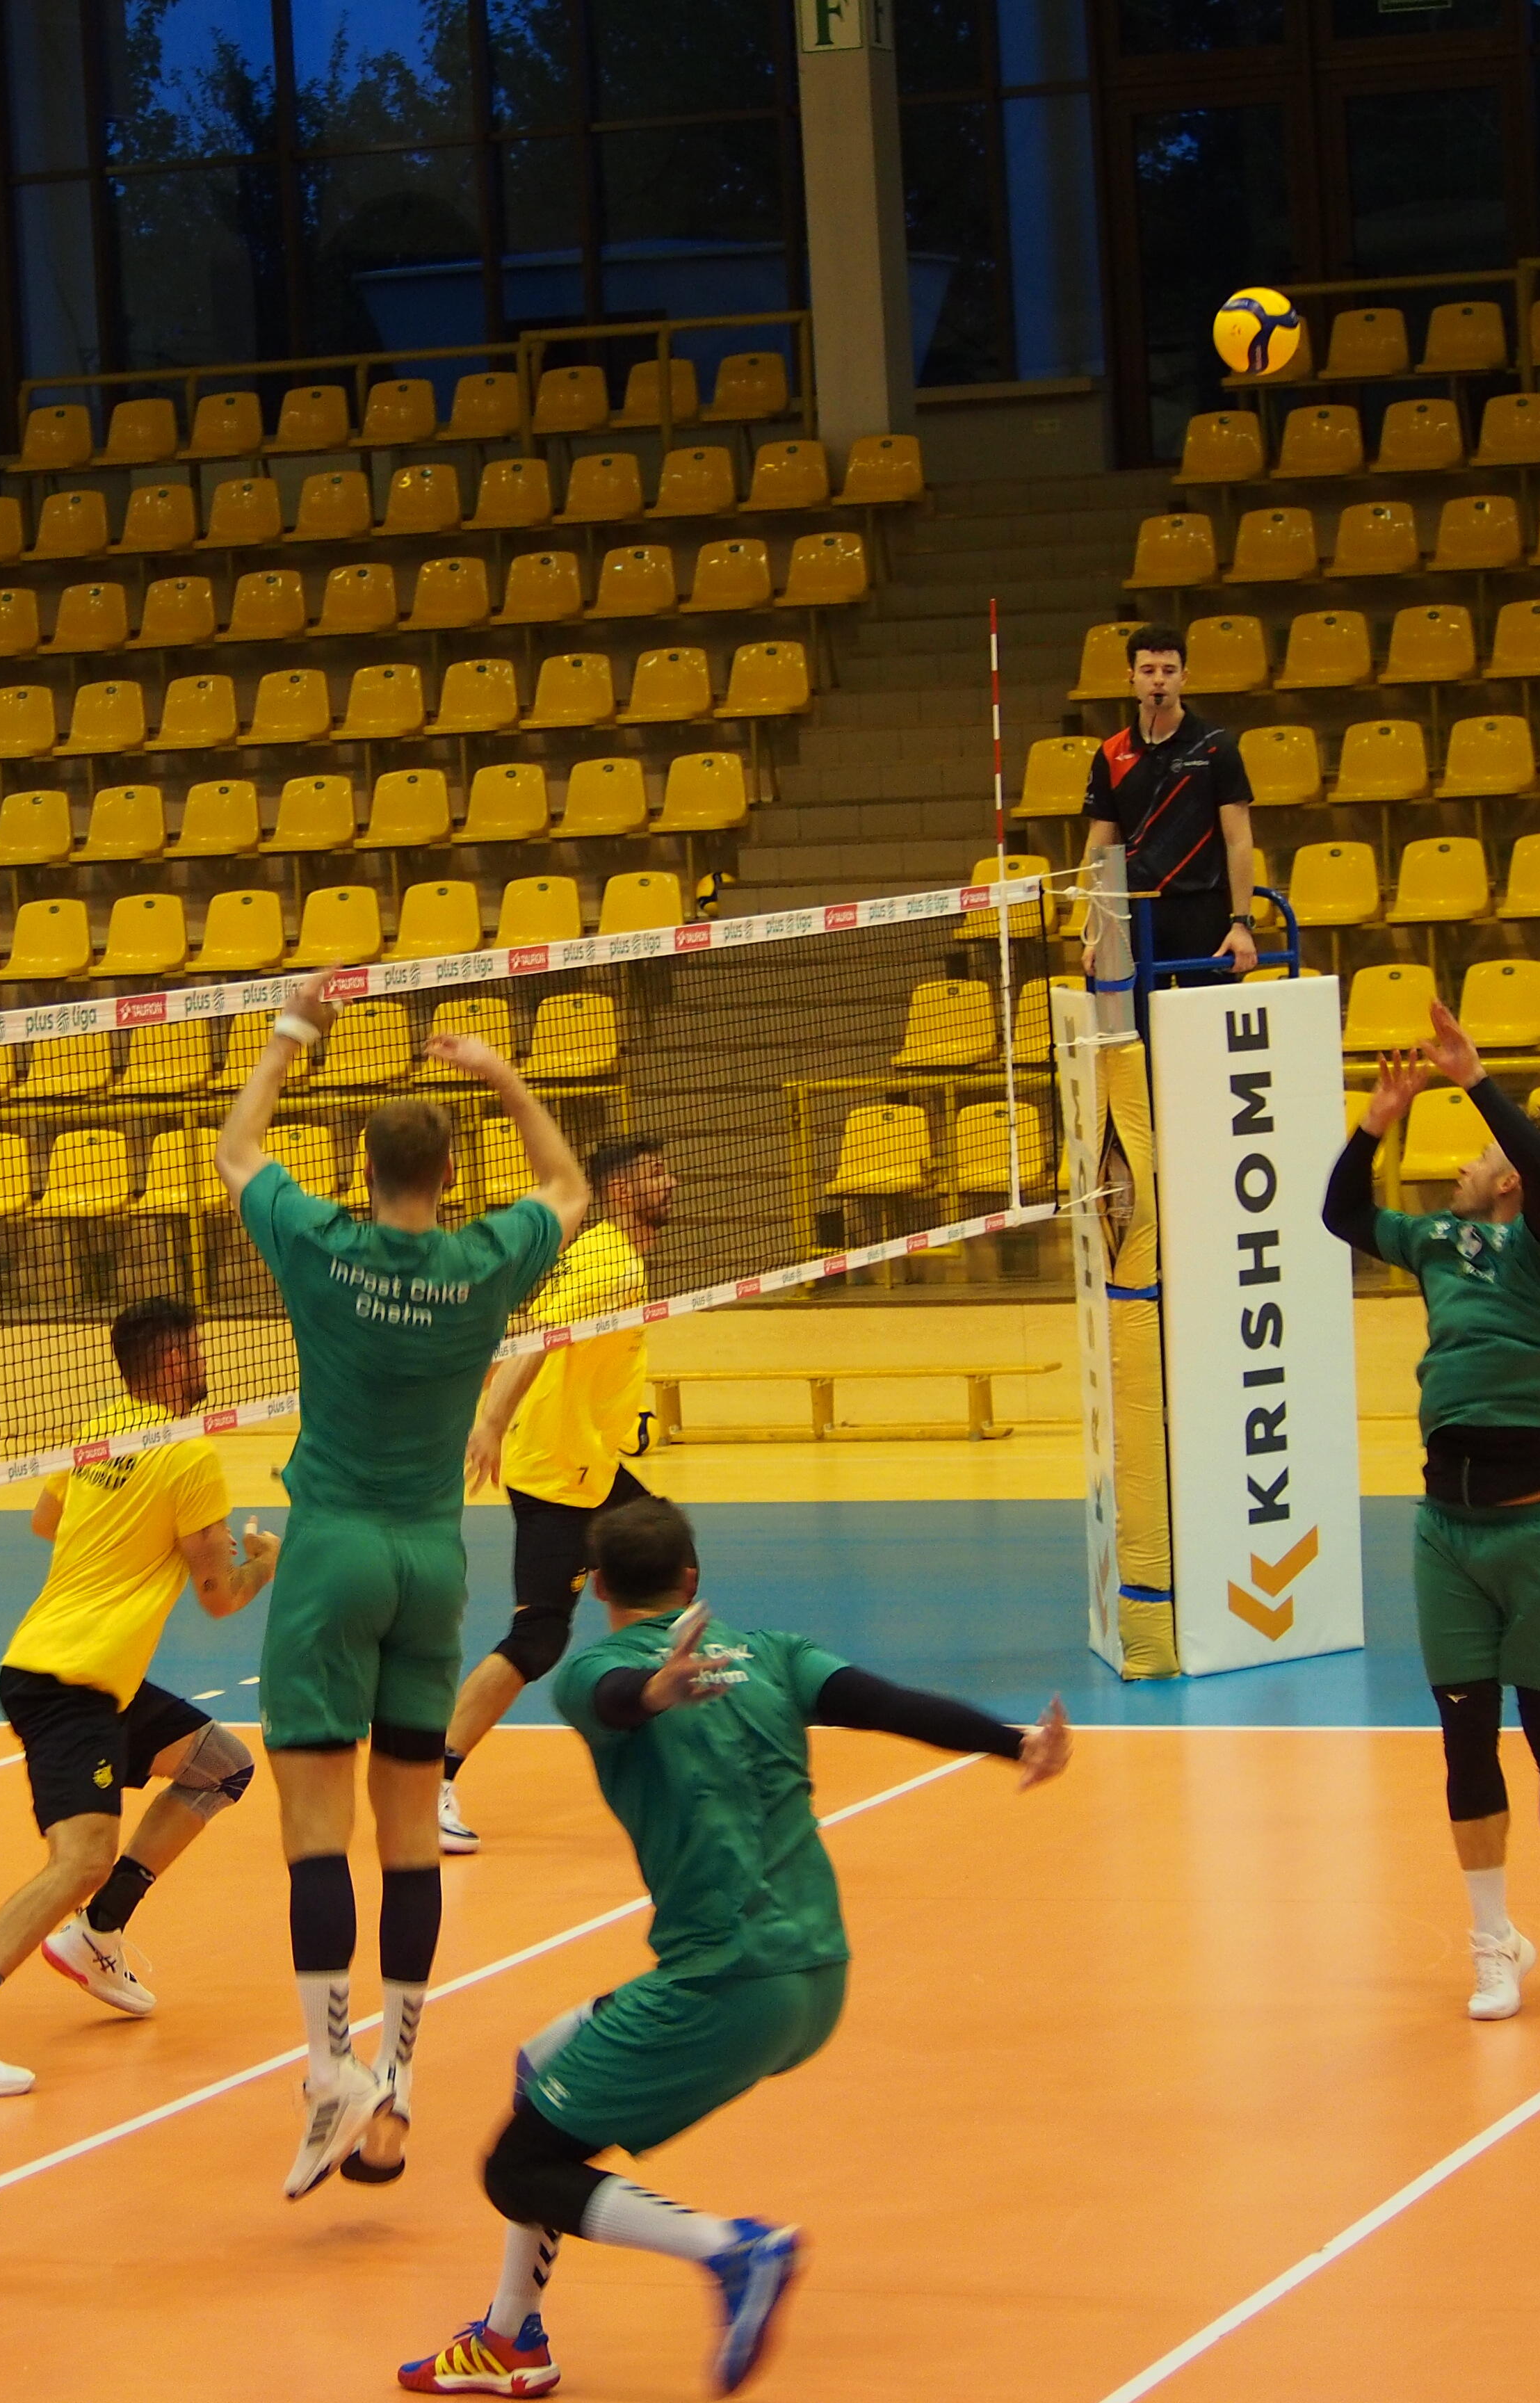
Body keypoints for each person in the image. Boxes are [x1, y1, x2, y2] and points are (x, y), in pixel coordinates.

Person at [396, 1498, 1069, 2400]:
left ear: (598, 1587)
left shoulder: (588, 1670)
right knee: (544, 2064)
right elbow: (884, 1704)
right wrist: (1013, 1740)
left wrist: (651, 1695)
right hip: (819, 1973)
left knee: (518, 2170)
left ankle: (729, 2249)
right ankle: (511, 2340)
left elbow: (614, 1698)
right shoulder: (774, 1652)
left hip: (725, 1985)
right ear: (692, 1579)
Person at [220, 966, 587, 2197]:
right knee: (409, 1840)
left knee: (313, 1832)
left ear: (362, 1173)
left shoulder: (320, 1245)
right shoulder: (486, 1260)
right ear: (449, 1174)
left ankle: (331, 2071)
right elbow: (569, 1188)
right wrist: (503, 1075)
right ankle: (400, 2087)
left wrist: (291, 1035)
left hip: (332, 1552)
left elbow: (235, 1151)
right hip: (434, 1562)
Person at [0, 1297, 279, 2098]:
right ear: (171, 1362)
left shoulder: (96, 1435)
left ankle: (99, 1931)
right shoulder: (189, 1457)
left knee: (221, 1765)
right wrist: (267, 1560)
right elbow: (220, 1596)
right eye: (197, 1349)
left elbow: (47, 1521)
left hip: (79, 1670)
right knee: (81, 1858)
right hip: (71, 1685)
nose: (205, 1362)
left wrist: (128, 1537)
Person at [1322, 1003, 1540, 2021]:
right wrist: (1375, 1122)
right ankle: (1494, 1942)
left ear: (1508, 1181)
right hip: (1445, 1533)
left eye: (1479, 1156)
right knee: (1466, 1742)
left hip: (1537, 1529)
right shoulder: (1438, 1242)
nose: (1462, 1163)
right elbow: (1342, 1215)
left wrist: (1475, 1080)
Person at [441, 1133, 679, 1854]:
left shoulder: (619, 1254)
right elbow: (538, 1340)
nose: (668, 1181)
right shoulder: (608, 1261)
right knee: (539, 1638)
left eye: (665, 1170)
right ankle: (432, 1777)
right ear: (619, 1190)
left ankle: (650, 1726)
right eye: (652, 1174)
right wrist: (490, 1422)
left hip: (592, 1464)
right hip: (557, 1473)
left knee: (665, 1560)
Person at [1078, 624, 1258, 1008]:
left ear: (1184, 677)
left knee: (1207, 1026)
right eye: (1148, 670)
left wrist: (1242, 923)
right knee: (1136, 1029)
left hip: (1202, 910)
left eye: (1168, 671)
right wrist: (1095, 931)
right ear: (1131, 677)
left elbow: (1239, 840)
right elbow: (1099, 848)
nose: (1158, 680)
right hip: (1135, 913)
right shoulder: (1111, 754)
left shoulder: (1216, 747)